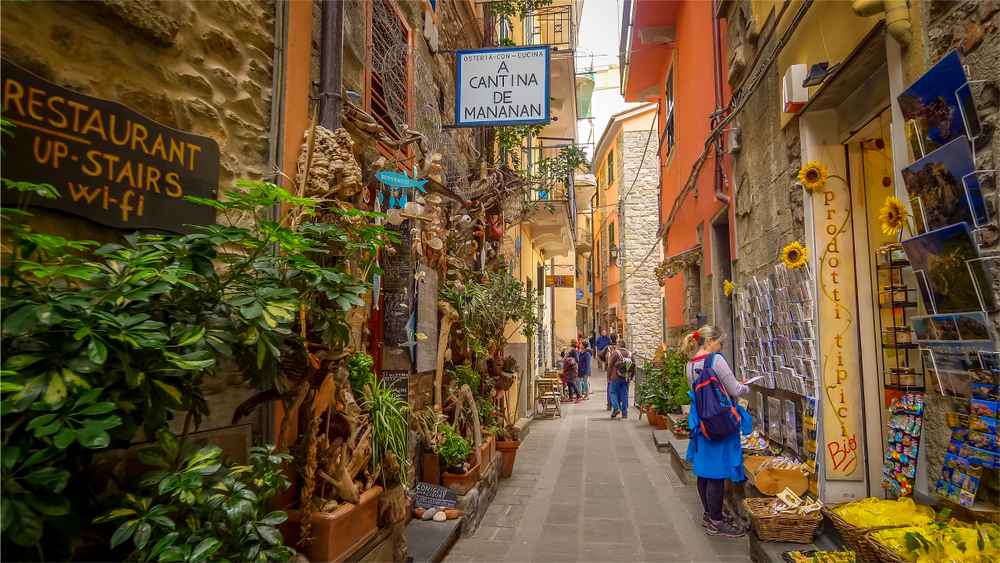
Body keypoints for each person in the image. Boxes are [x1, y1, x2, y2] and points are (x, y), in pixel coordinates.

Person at [683, 325, 751, 538]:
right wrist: (746, 386)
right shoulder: (716, 360)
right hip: (720, 422)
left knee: (704, 471)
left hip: (701, 422)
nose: (722, 346)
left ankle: (708, 514)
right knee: (717, 474)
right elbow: (735, 390)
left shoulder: (690, 364)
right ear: (710, 340)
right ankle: (716, 521)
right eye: (720, 342)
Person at [606, 339, 635, 419]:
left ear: (619, 345)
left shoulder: (615, 353)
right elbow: (634, 367)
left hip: (615, 377)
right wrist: (631, 377)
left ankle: (616, 407)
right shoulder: (630, 354)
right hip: (626, 377)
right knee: (625, 394)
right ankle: (625, 412)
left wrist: (609, 375)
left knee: (613, 392)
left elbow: (610, 365)